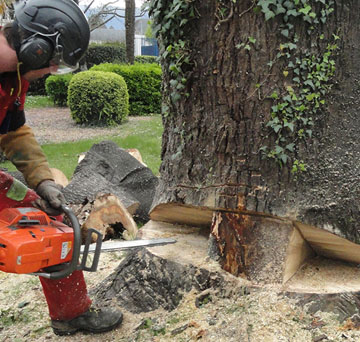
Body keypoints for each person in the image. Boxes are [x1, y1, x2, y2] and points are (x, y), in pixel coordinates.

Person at [0, 0, 123, 336]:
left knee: (51, 220)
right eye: (53, 63)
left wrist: (43, 182)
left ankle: (71, 314)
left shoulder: (13, 79)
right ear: (36, 49)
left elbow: (14, 131)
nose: (51, 71)